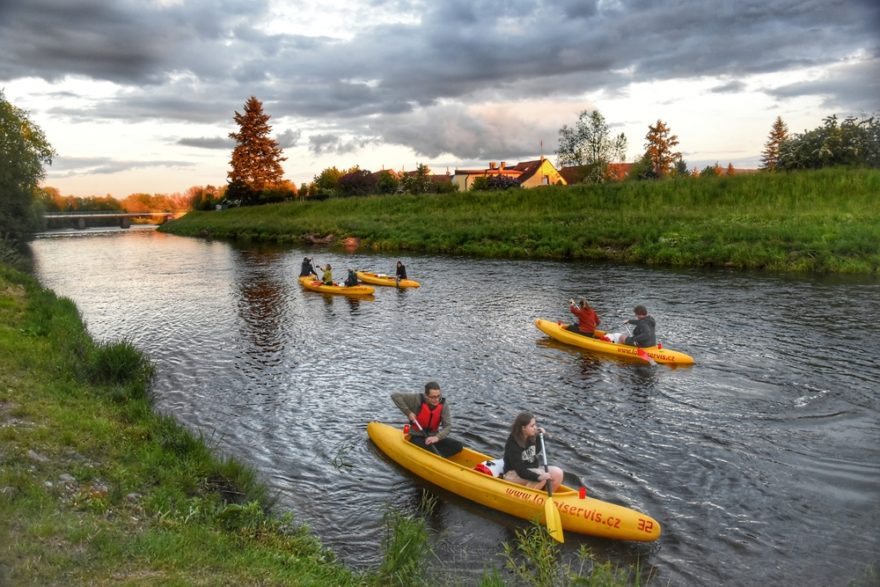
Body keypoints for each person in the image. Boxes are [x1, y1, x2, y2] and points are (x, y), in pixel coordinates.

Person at [391, 382, 463, 458]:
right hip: (417, 437)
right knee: (430, 449)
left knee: (458, 446)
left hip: (433, 437)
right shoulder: (417, 399)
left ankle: (439, 456)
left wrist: (437, 437)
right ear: (426, 396)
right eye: (433, 397)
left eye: (438, 396)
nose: (436, 400)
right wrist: (408, 413)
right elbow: (395, 396)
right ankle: (438, 456)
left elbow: (448, 426)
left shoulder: (443, 405)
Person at [502, 412, 563, 493]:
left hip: (531, 470)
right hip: (513, 474)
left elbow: (536, 451)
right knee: (541, 476)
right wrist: (538, 477)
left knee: (558, 473)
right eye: (532, 426)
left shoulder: (531, 436)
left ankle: (545, 498)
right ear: (523, 428)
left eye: (535, 425)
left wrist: (541, 437)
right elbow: (520, 471)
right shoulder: (512, 444)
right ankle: (527, 498)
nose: (535, 428)